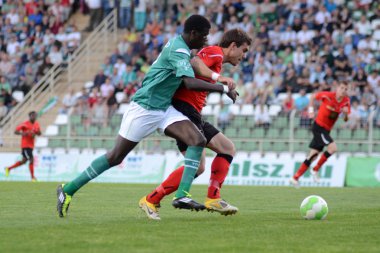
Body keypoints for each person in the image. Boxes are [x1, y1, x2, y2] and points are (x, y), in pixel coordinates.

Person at [56, 15, 239, 218]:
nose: (206, 40)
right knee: (115, 157)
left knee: (197, 140)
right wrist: (222, 88)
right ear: (193, 33)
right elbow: (189, 82)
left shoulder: (184, 48)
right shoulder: (178, 50)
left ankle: (182, 195)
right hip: (144, 109)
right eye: (204, 36)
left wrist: (217, 78)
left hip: (164, 109)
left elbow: (195, 64)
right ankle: (68, 189)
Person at [139, 29, 252, 220]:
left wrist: (206, 94)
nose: (244, 55)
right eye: (244, 50)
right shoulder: (215, 52)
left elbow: (197, 74)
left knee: (225, 149)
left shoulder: (216, 60)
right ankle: (207, 197)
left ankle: (153, 199)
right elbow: (195, 62)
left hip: (192, 112)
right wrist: (219, 81)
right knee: (207, 160)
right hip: (184, 111)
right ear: (233, 46)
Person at [290, 81, 351, 188]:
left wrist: (345, 113)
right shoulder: (328, 96)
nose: (343, 91)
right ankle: (315, 169)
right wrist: (310, 110)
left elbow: (346, 119)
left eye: (346, 89)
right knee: (333, 148)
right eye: (342, 88)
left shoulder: (346, 102)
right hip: (318, 127)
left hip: (326, 130)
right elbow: (313, 96)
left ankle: (295, 178)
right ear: (337, 88)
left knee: (313, 156)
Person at [4, 111, 41, 181]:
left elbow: (39, 133)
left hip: (31, 145)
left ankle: (8, 168)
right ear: (29, 116)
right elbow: (16, 131)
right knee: (31, 159)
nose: (34, 117)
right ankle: (33, 178)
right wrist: (23, 133)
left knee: (24, 161)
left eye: (35, 116)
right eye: (33, 116)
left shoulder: (36, 124)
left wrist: (36, 132)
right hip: (25, 146)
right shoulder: (25, 124)